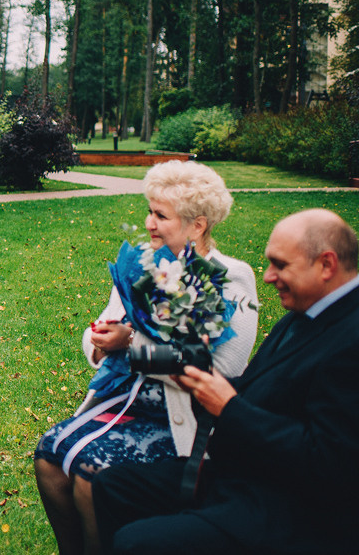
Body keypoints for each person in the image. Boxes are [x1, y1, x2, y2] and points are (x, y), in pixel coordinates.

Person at [93, 208, 359, 555]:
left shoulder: (350, 338)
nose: (267, 276)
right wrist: (197, 376)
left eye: (280, 265)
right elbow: (260, 388)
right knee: (113, 486)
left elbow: (329, 463)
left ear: (326, 265)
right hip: (245, 473)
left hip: (289, 508)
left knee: (135, 543)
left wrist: (228, 406)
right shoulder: (305, 313)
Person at [34, 160, 258, 555]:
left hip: (186, 419)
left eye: (161, 215)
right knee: (48, 456)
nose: (149, 224)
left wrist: (131, 344)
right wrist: (102, 340)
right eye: (149, 212)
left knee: (91, 475)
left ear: (198, 225)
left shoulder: (230, 277)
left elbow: (222, 371)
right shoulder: (143, 263)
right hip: (124, 401)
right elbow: (102, 329)